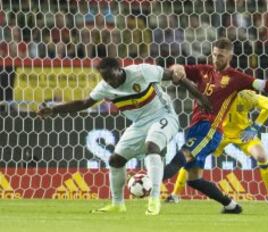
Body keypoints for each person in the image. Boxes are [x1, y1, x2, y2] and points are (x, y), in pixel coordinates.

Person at [37, 57, 210, 216]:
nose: (110, 82)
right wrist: (54, 109)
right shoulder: (105, 88)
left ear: (120, 69)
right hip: (139, 125)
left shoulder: (142, 71)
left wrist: (201, 98)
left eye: (112, 77)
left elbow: (175, 76)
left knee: (152, 146)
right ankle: (117, 204)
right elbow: (83, 103)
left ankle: (154, 199)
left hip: (164, 116)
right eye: (106, 79)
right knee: (115, 160)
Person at [164, 38, 268, 214]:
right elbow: (180, 68)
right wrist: (177, 68)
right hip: (196, 127)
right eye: (214, 54)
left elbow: (263, 84)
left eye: (220, 55)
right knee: (194, 179)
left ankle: (150, 180)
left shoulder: (237, 78)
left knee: (181, 157)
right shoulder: (202, 71)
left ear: (229, 55)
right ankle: (231, 206)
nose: (216, 58)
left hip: (211, 128)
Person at [165, 90, 268, 205]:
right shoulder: (218, 95)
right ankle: (175, 195)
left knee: (262, 156)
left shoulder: (246, 96)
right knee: (193, 156)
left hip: (243, 133)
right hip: (219, 133)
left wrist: (255, 126)